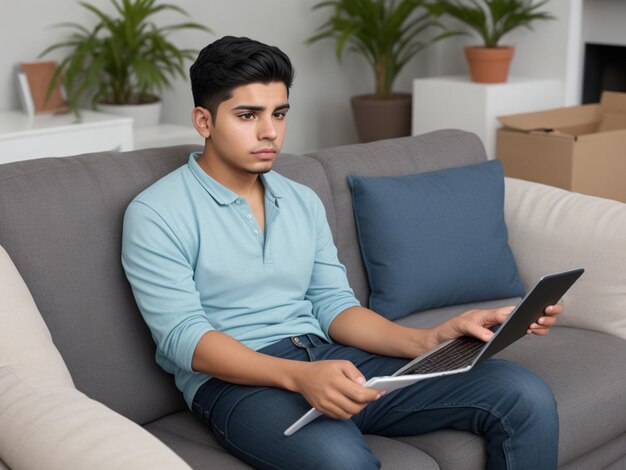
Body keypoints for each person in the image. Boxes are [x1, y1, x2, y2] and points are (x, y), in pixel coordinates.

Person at [122, 36, 561, 470]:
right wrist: (298, 376)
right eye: (247, 115)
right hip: (237, 384)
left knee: (523, 394)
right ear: (204, 121)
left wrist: (426, 339)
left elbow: (333, 305)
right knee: (341, 463)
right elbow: (185, 340)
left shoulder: (299, 199)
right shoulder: (157, 212)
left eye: (279, 113)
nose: (269, 131)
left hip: (329, 357)